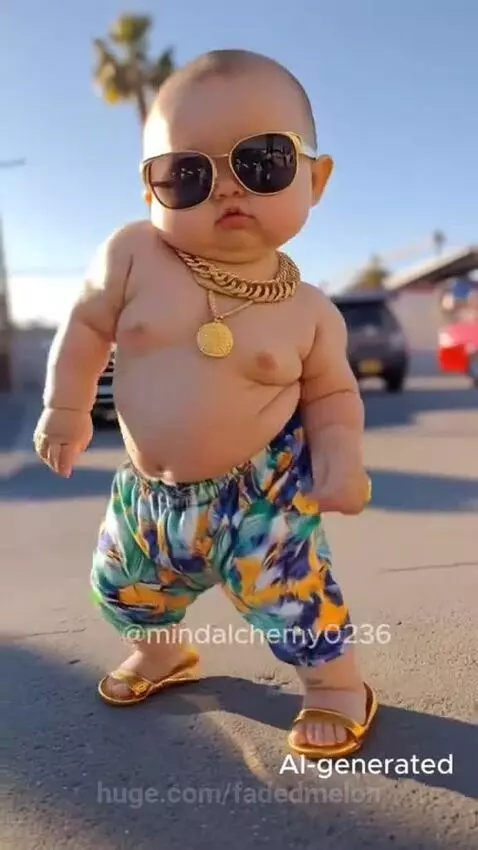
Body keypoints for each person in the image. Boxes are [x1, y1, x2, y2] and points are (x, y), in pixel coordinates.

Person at [33, 49, 377, 759]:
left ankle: (336, 688)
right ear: (149, 192)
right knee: (125, 586)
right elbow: (86, 327)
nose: (225, 188)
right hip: (150, 500)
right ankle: (164, 655)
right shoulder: (133, 254)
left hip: (259, 496)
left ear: (316, 179)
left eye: (262, 162)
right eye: (185, 174)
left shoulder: (310, 312)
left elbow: (333, 397)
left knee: (297, 601)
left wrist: (341, 461)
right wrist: (65, 407)